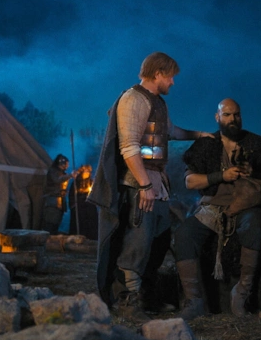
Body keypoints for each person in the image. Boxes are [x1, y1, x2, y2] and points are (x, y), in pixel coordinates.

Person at [87, 51, 212, 322]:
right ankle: (126, 300)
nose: (173, 82)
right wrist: (144, 186)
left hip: (157, 182)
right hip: (138, 183)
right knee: (137, 243)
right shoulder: (133, 99)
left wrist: (199, 135)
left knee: (158, 241)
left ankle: (145, 295)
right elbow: (129, 147)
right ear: (158, 74)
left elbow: (169, 132)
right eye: (171, 77)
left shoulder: (157, 102)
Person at [174, 98, 261, 320]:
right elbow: (190, 182)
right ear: (218, 117)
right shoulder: (206, 145)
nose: (233, 119)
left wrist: (254, 172)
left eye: (236, 114)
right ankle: (194, 301)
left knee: (255, 225)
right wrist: (221, 176)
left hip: (247, 206)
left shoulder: (255, 143)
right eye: (227, 115)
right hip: (213, 207)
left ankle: (241, 294)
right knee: (184, 234)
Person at [42, 154, 78, 235]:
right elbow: (58, 180)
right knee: (50, 223)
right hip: (52, 201)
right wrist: (70, 175)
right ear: (62, 163)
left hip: (60, 201)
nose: (67, 166)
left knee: (56, 222)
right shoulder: (53, 171)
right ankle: (47, 239)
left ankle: (53, 237)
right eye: (67, 164)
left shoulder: (63, 173)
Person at [69, 164, 98, 240]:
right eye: (85, 171)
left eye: (88, 171)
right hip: (79, 206)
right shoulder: (76, 183)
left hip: (89, 206)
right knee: (79, 223)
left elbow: (94, 193)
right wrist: (73, 205)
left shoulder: (91, 182)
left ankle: (91, 238)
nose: (87, 173)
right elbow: (72, 195)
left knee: (91, 223)